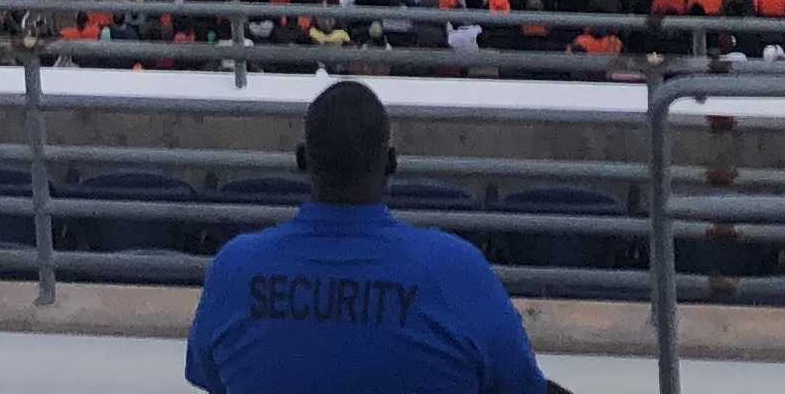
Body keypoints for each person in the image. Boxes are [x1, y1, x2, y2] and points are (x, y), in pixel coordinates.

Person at [185, 79, 544, 394]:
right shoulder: (459, 272)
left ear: (302, 160)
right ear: (391, 163)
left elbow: (213, 377)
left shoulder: (234, 270)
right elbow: (520, 384)